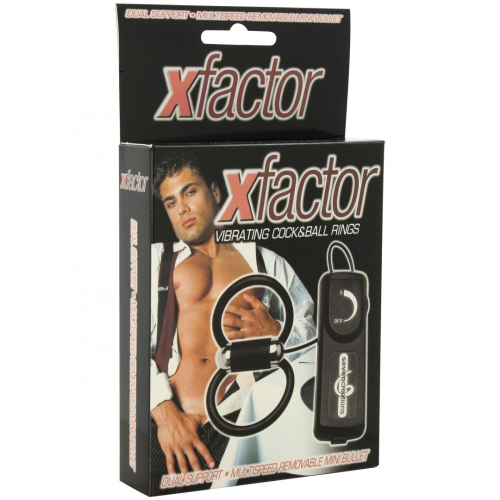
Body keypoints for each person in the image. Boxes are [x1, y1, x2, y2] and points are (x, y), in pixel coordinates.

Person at [150, 152, 315, 489]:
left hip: (243, 420)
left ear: (215, 192)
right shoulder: (155, 260)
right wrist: (162, 409)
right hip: (171, 425)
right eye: (171, 202)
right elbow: (124, 342)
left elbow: (313, 335)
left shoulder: (265, 261)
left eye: (190, 191)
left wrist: (277, 335)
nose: (181, 208)